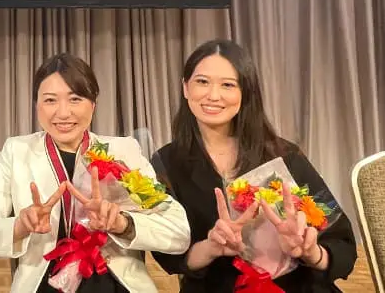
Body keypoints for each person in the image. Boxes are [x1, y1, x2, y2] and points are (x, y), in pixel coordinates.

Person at [0, 53, 191, 292]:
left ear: (93, 104)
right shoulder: (16, 152)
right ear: (36, 105)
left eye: (75, 99)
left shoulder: (123, 151)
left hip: (115, 285)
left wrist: (122, 223)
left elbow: (178, 232)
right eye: (50, 100)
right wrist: (20, 226)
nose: (63, 113)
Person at [150, 39, 357, 292]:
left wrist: (310, 251)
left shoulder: (285, 155)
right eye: (202, 82)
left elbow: (342, 241)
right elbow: (170, 256)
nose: (213, 95)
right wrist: (211, 247)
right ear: (185, 87)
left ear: (245, 92)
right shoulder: (166, 163)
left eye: (228, 85)